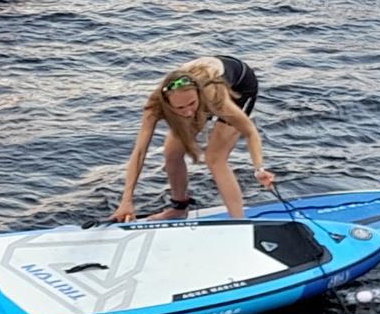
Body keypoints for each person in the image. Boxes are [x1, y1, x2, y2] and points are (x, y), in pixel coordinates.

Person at [111, 56, 276, 222]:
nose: (189, 113)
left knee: (215, 158)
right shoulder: (155, 105)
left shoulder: (214, 96)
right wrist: (126, 201)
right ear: (168, 104)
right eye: (180, 108)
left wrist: (259, 169)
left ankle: (238, 221)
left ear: (198, 95)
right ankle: (179, 208)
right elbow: (139, 152)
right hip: (200, 88)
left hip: (239, 85)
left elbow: (250, 132)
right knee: (171, 152)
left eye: (191, 104)